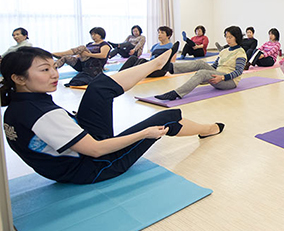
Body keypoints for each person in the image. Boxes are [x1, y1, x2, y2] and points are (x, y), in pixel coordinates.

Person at [0, 46, 224, 185]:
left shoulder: (18, 105)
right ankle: (209, 129)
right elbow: (97, 150)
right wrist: (144, 134)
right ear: (18, 78)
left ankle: (155, 65)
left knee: (98, 87)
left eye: (53, 67)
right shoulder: (43, 114)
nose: (54, 74)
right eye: (44, 70)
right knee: (168, 117)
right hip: (94, 167)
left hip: (73, 158)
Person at [155, 26, 246, 101]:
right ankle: (171, 67)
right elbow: (214, 66)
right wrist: (208, 75)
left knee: (202, 73)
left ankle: (176, 93)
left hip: (229, 81)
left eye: (230, 37)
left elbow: (239, 71)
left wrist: (222, 77)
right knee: (200, 63)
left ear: (237, 37)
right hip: (218, 74)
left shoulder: (240, 52)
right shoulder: (224, 51)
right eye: (226, 37)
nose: (228, 40)